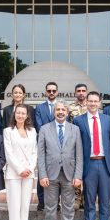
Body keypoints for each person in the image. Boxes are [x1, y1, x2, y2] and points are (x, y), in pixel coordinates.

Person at [38, 99, 83, 220]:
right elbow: (41, 154)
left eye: (63, 110)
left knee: (68, 206)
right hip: (50, 174)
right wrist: (42, 174)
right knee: (50, 205)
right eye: (58, 110)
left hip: (69, 175)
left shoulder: (74, 129)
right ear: (54, 112)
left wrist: (78, 176)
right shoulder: (44, 129)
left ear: (67, 112)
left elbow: (79, 155)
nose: (60, 112)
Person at [73, 91, 110, 220]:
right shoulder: (78, 121)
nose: (93, 103)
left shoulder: (108, 120)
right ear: (86, 102)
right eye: (90, 101)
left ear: (100, 103)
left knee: (104, 200)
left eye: (96, 101)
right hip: (88, 164)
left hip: (104, 164)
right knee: (89, 201)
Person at [3, 104, 38, 220]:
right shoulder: (8, 131)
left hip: (28, 174)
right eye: (18, 113)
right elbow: (8, 153)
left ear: (27, 115)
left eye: (23, 113)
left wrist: (29, 168)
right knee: (14, 205)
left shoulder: (33, 131)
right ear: (14, 114)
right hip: (14, 173)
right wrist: (20, 169)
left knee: (25, 206)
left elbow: (35, 152)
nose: (20, 115)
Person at [35, 81, 59, 211]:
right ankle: (41, 202)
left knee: (58, 174)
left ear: (57, 92)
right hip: (43, 144)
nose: (51, 93)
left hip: (59, 146)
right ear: (46, 92)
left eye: (53, 91)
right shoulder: (39, 108)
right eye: (49, 90)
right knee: (42, 173)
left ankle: (56, 203)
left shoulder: (61, 107)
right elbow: (39, 126)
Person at [67, 83, 88, 211]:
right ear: (75, 93)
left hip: (88, 143)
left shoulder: (91, 105)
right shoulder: (70, 107)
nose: (81, 93)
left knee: (87, 172)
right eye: (78, 91)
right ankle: (77, 198)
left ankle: (86, 198)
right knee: (76, 171)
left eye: (83, 91)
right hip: (74, 143)